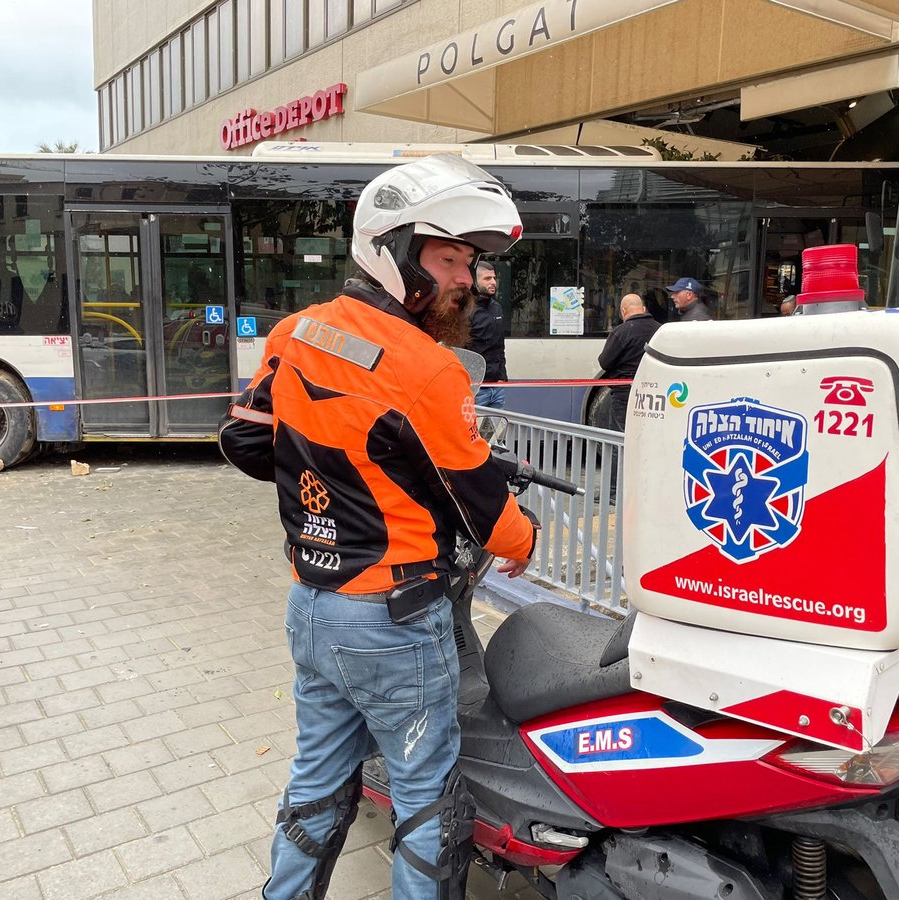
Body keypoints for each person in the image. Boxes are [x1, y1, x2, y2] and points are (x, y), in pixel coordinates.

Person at [218, 154, 538, 900]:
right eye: (448, 257)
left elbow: (242, 439)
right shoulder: (429, 368)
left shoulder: (296, 333)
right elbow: (484, 509)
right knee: (426, 798)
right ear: (392, 254)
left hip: (313, 606)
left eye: (468, 261)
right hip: (395, 622)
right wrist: (523, 541)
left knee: (317, 783)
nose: (464, 276)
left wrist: (329, 485)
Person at [597, 292, 660, 431]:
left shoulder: (621, 332)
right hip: (653, 392)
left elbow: (605, 362)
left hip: (624, 392)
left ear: (623, 311)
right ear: (643, 309)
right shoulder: (659, 330)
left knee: (620, 438)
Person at [466, 260, 507, 408]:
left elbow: (500, 346)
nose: (493, 282)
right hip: (476, 388)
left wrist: (502, 377)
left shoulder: (497, 308)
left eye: (494, 278)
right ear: (475, 281)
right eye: (487, 278)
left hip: (498, 387)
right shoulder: (465, 311)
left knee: (495, 431)